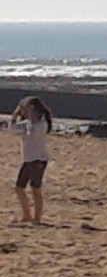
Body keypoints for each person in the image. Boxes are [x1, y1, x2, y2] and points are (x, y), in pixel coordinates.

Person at [12, 97, 52, 226]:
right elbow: (12, 128)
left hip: (38, 160)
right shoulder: (27, 123)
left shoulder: (41, 124)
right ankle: (27, 215)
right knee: (19, 188)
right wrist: (15, 115)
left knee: (35, 189)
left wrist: (28, 119)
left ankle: (37, 218)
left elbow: (35, 131)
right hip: (28, 160)